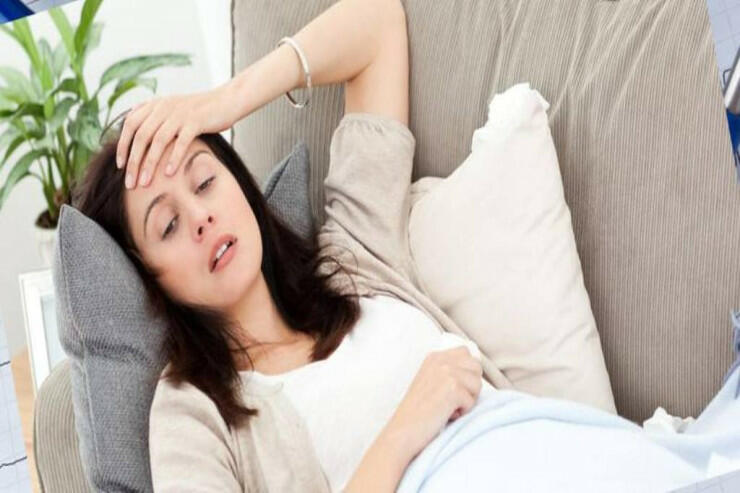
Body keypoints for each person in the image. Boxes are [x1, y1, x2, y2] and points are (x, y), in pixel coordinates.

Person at [73, 0, 491, 491]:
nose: (201, 218)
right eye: (168, 226)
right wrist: (406, 428)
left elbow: (377, 24)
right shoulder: (191, 413)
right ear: (147, 279)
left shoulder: (355, 255)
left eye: (205, 182)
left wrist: (225, 103)